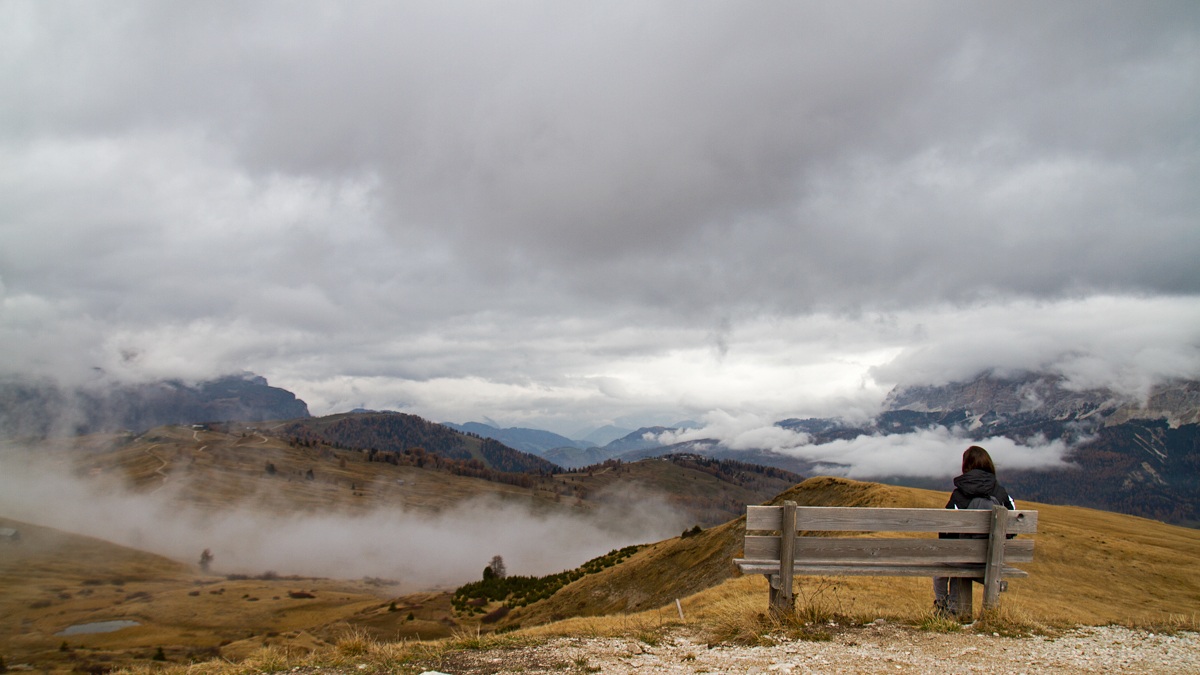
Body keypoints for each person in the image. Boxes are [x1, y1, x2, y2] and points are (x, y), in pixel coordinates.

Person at [933, 445, 1016, 617]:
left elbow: (946, 530)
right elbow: (1013, 528)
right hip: (991, 559)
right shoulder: (1001, 493)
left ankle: (944, 608)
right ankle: (983, 613)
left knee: (951, 562)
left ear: (966, 466)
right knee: (960, 560)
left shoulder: (959, 495)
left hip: (962, 556)